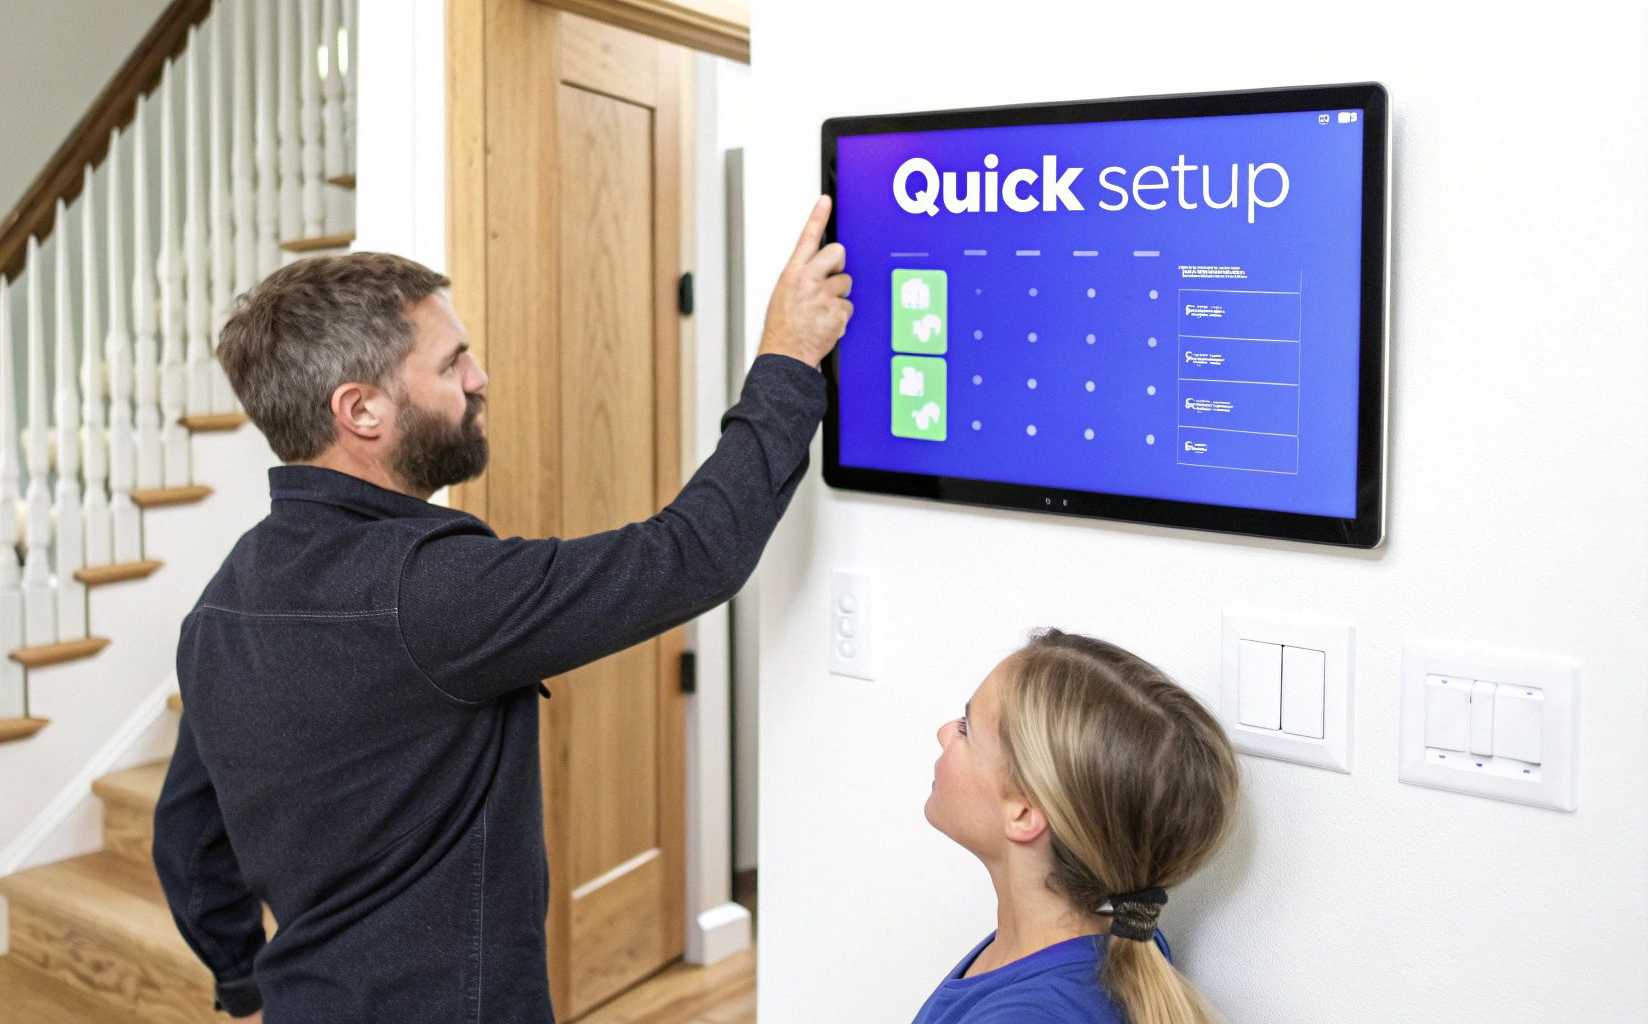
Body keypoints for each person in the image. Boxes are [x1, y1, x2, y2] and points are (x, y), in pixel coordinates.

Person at [152, 198, 851, 1023]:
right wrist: (788, 359)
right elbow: (690, 555)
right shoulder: (431, 593)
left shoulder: (224, 601)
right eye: (452, 365)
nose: (479, 379)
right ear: (361, 410)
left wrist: (240, 982)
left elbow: (190, 837)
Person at [915, 629, 1240, 1024]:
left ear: (1023, 813)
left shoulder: (1031, 1013)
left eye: (966, 728)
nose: (944, 731)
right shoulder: (1123, 945)